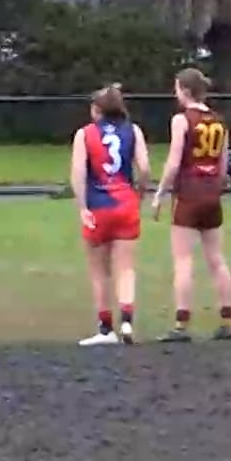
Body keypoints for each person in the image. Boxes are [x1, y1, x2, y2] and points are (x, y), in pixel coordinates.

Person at [151, 68, 231, 343]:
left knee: (184, 260)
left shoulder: (181, 120)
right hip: (212, 194)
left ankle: (181, 323)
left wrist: (160, 192)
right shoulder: (219, 122)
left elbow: (174, 161)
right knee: (216, 259)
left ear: (185, 91)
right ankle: (226, 321)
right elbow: (224, 166)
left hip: (188, 194)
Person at [71, 84, 149, 346]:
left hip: (99, 204)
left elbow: (78, 174)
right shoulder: (133, 130)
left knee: (99, 271)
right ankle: (127, 320)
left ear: (97, 110)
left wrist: (82, 207)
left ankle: (105, 329)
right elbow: (145, 168)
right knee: (126, 268)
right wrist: (140, 192)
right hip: (126, 202)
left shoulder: (84, 134)